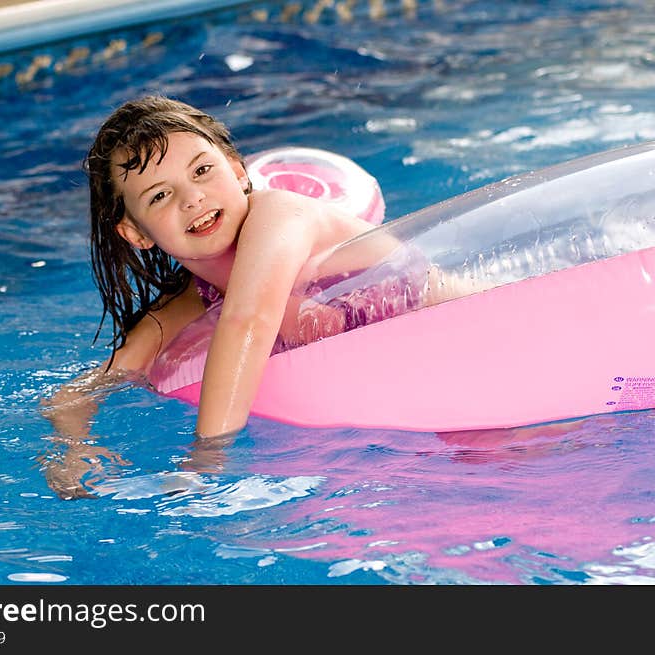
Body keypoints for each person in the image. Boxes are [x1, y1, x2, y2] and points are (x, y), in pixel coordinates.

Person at [40, 95, 485, 499]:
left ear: (237, 171)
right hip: (414, 403)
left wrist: (204, 462)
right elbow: (83, 389)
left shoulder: (283, 214)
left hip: (476, 338)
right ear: (135, 232)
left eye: (202, 171)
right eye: (160, 195)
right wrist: (73, 449)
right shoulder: (192, 300)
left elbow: (247, 321)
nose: (192, 198)